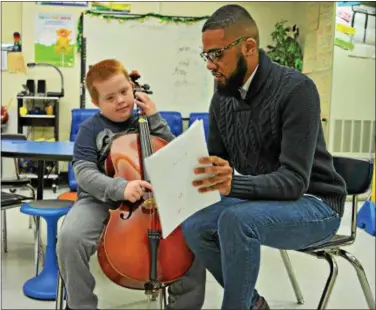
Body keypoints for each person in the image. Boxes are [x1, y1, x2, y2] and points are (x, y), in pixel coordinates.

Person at [181, 4, 347, 310]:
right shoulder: (223, 96)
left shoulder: (297, 90)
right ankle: (253, 303)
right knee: (193, 226)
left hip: (316, 203)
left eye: (217, 54)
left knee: (236, 220)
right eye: (207, 55)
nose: (210, 64)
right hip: (264, 200)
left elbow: (295, 182)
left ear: (248, 47)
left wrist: (233, 186)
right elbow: (219, 163)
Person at [56, 59, 206, 310]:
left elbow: (176, 154)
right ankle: (80, 304)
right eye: (110, 97)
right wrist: (120, 188)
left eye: (124, 92)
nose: (121, 101)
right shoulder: (89, 129)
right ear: (96, 103)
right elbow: (83, 173)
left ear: (132, 88)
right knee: (70, 238)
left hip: (152, 198)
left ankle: (184, 304)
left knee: (195, 232)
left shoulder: (147, 121)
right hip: (100, 198)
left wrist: (155, 118)